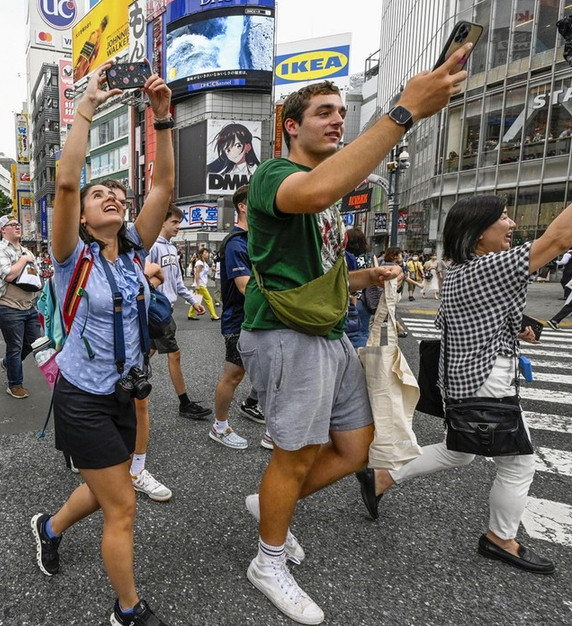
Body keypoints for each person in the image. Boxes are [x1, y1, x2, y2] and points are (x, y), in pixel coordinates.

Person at [240, 46, 468, 624]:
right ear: (291, 126)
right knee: (294, 454)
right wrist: (402, 111)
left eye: (342, 110)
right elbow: (312, 194)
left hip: (327, 331)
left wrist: (366, 275)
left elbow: (314, 267)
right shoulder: (276, 174)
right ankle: (268, 559)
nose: (338, 118)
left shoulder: (327, 191)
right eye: (323, 111)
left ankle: (271, 506)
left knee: (354, 446)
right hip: (287, 335)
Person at [357, 194, 572, 575]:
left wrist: (515, 324)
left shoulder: (463, 270)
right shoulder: (488, 268)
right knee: (519, 464)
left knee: (460, 452)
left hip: (466, 380)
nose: (512, 225)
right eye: (504, 218)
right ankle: (500, 538)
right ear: (477, 236)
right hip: (484, 383)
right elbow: (558, 238)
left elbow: (482, 315)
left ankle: (383, 476)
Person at [30, 61, 172, 626]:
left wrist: (162, 117)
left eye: (117, 192)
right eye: (100, 195)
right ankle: (127, 611)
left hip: (125, 394)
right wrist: (86, 104)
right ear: (84, 216)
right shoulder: (71, 258)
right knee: (124, 506)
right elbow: (66, 182)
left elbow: (162, 184)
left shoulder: (136, 251)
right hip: (82, 396)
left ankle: (48, 526)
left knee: (102, 485)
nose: (111, 197)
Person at [145, 205, 214, 419]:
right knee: (174, 354)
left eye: (179, 222)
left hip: (168, 308)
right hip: (157, 310)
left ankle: (124, 385)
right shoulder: (152, 247)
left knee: (148, 352)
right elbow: (145, 278)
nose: (178, 226)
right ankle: (184, 403)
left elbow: (177, 282)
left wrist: (193, 301)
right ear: (161, 222)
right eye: (174, 222)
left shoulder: (173, 249)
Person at [211, 184, 262, 450]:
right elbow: (245, 287)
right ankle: (219, 426)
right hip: (239, 321)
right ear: (243, 206)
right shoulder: (235, 243)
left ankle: (255, 409)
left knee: (266, 372)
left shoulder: (256, 239)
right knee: (233, 374)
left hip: (257, 319)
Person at [0, 215, 41, 399]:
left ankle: (9, 363)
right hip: (6, 306)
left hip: (28, 305)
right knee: (15, 346)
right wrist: (24, 260)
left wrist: (27, 258)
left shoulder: (27, 250)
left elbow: (37, 274)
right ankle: (15, 384)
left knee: (35, 343)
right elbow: (8, 275)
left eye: (18, 224)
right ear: (3, 229)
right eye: (12, 225)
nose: (17, 227)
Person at [345, 228, 374, 349]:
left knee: (345, 332)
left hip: (347, 298)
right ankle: (361, 360)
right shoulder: (370, 256)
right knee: (362, 331)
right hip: (364, 298)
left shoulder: (344, 255)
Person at [187, 248, 219, 320]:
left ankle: (191, 314)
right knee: (209, 299)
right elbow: (197, 273)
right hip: (201, 285)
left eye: (208, 252)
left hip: (201, 284)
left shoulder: (204, 263)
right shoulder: (200, 263)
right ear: (201, 254)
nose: (207, 254)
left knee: (196, 300)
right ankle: (213, 315)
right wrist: (197, 284)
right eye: (205, 252)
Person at [73, 16, 108, 81]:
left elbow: (95, 52)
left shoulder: (97, 35)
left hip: (86, 60)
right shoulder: (96, 34)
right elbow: (90, 49)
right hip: (85, 59)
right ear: (103, 26)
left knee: (80, 74)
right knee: (79, 73)